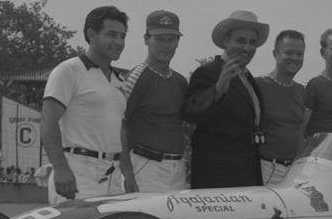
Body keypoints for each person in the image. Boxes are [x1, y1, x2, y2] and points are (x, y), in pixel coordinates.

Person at [41, 6, 129, 203]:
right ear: (92, 34)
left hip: (114, 177)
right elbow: (48, 120)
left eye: (123, 36)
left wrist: (128, 174)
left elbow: (120, 131)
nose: (119, 42)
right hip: (78, 173)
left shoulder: (119, 81)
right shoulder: (68, 71)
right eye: (112, 35)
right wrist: (61, 168)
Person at [184, 11, 268, 189]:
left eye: (252, 43)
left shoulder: (248, 78)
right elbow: (191, 112)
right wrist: (217, 91)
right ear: (225, 41)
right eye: (240, 40)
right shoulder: (209, 72)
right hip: (218, 179)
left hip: (247, 174)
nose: (247, 48)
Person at [112, 10, 190, 194]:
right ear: (147, 39)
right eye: (159, 39)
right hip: (145, 165)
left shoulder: (180, 80)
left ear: (178, 42)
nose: (166, 45)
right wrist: (128, 173)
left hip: (176, 167)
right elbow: (117, 125)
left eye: (171, 39)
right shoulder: (137, 76)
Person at [256, 29, 308, 185]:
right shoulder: (258, 86)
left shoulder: (301, 91)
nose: (294, 58)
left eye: (299, 54)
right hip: (265, 168)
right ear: (275, 53)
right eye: (289, 53)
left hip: (294, 171)